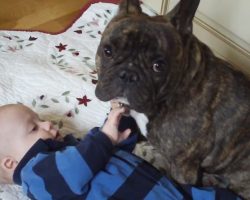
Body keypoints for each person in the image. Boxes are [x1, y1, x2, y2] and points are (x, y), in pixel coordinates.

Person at [0, 103, 240, 200]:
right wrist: (104, 137)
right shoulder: (36, 177)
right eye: (34, 127)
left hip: (164, 189)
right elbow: (78, 165)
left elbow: (108, 151)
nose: (48, 124)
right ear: (10, 163)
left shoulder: (75, 149)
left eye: (41, 119)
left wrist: (121, 119)